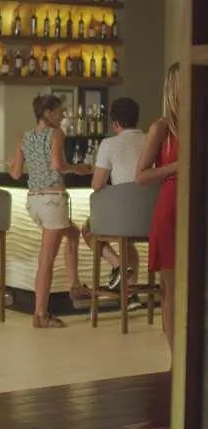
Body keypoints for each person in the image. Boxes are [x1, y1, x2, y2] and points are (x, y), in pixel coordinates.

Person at [9, 95, 92, 328]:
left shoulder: (24, 138)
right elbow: (57, 165)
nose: (63, 115)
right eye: (59, 111)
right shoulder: (56, 134)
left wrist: (10, 164)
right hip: (52, 201)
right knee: (46, 260)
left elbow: (16, 174)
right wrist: (78, 168)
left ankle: (75, 286)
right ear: (47, 113)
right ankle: (41, 315)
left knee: (73, 233)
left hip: (34, 202)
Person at [81, 97, 144, 311]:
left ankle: (119, 266)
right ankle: (131, 295)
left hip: (122, 217)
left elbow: (97, 184)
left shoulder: (109, 144)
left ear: (115, 123)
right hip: (150, 218)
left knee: (87, 229)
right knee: (128, 242)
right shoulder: (151, 140)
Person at [136, 63, 179, 350]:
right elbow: (140, 176)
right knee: (171, 289)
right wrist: (177, 166)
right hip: (171, 208)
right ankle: (176, 358)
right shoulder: (162, 128)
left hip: (198, 205)